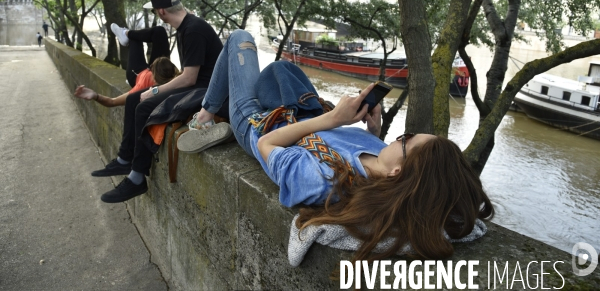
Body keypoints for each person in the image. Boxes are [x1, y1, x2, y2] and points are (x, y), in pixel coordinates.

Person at [181, 30, 494, 260]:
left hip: (259, 123)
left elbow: (267, 145)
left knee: (240, 39)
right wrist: (373, 128)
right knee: (281, 70)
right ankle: (215, 110)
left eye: (406, 140)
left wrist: (332, 120)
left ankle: (206, 116)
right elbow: (374, 157)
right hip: (304, 113)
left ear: (397, 171)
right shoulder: (383, 160)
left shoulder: (326, 182)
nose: (402, 136)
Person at [93, 0, 223, 204]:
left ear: (161, 12)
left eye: (154, 12)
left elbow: (190, 78)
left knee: (144, 106)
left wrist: (155, 90)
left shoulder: (193, 29)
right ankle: (125, 158)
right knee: (135, 98)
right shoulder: (186, 26)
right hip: (198, 87)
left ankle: (136, 178)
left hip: (206, 92)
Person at [74, 24, 178, 107]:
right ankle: (126, 33)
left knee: (135, 39)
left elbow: (112, 102)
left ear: (153, 74)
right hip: (162, 73)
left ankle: (125, 33)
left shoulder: (143, 87)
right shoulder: (177, 78)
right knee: (159, 31)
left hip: (137, 73)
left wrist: (95, 96)